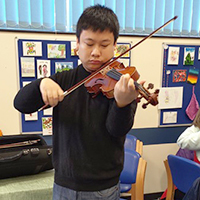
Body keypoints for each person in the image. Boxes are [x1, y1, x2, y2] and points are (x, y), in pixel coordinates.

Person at [14, 5, 138, 200]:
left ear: (115, 46)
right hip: (63, 184)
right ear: (77, 44)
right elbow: (21, 104)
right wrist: (42, 83)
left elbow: (116, 130)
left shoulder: (123, 84)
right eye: (89, 44)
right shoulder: (63, 80)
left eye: (104, 45)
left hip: (103, 188)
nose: (96, 52)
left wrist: (121, 104)